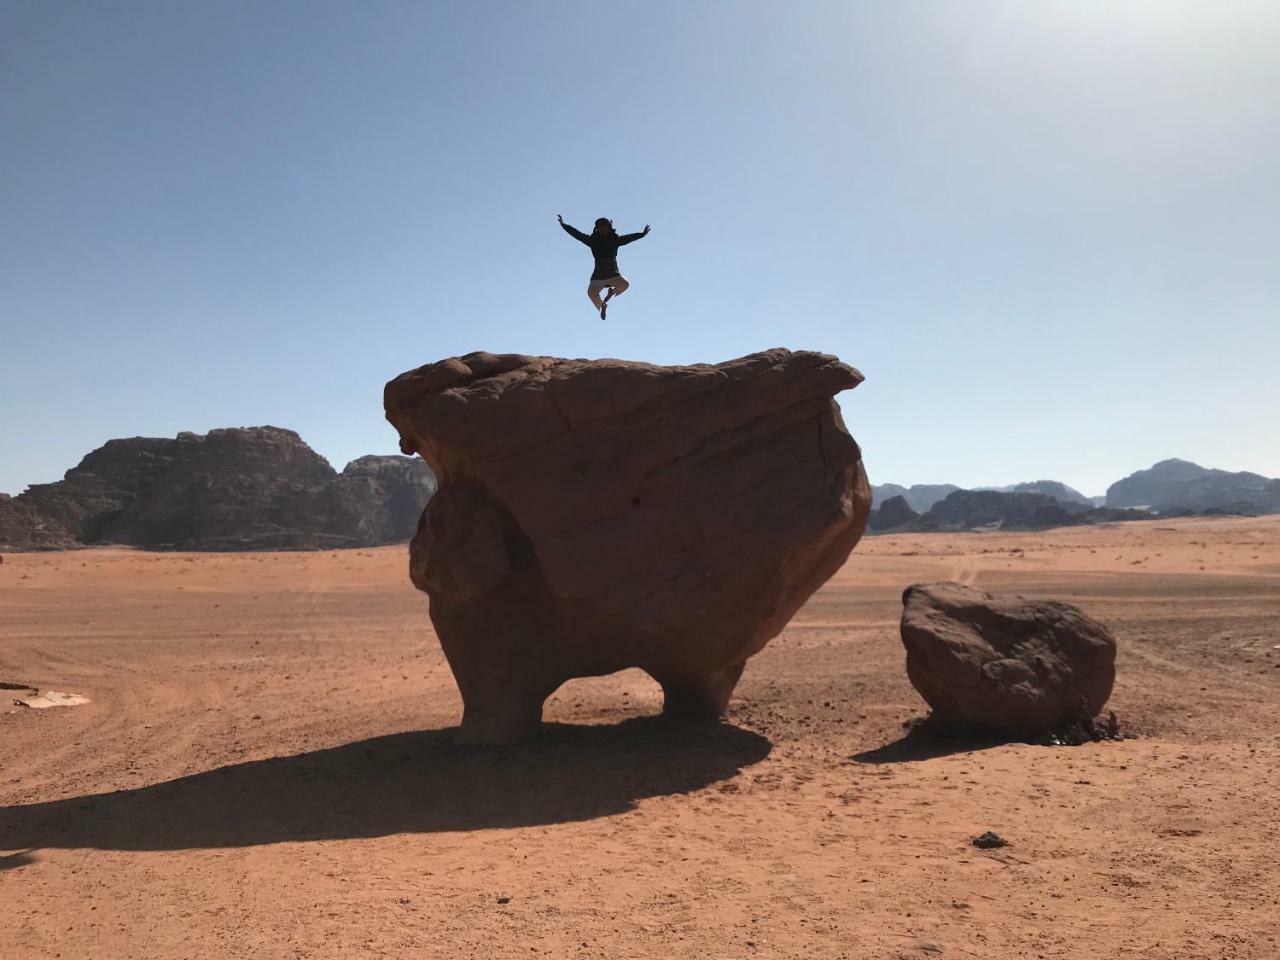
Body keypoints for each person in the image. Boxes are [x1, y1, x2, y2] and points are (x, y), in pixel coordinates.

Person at [558, 215, 650, 319]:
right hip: (598, 276)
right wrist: (564, 225)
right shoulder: (592, 241)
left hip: (613, 274)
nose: (602, 230)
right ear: (597, 229)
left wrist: (641, 234)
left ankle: (612, 292)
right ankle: (603, 305)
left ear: (608, 228)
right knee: (591, 293)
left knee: (625, 284)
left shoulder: (615, 240)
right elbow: (578, 235)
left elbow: (629, 238)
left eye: (605, 227)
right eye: (600, 228)